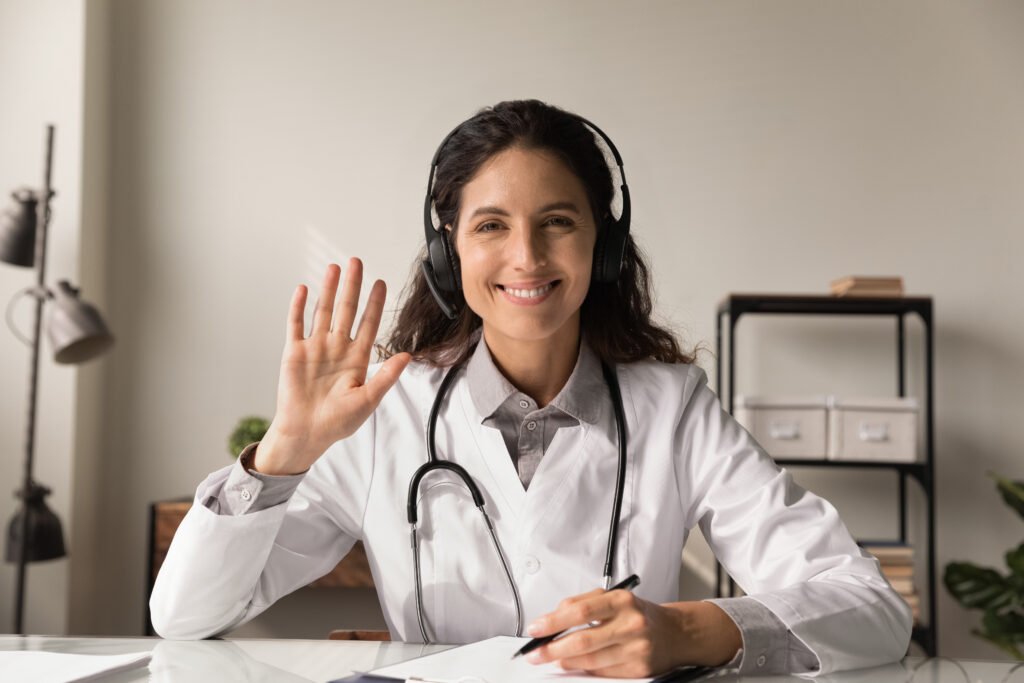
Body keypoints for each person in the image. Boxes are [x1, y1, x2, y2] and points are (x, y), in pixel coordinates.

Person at [150, 100, 912, 677]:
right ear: (448, 253)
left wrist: (684, 631)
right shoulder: (386, 412)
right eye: (490, 226)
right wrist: (281, 454)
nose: (526, 256)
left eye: (557, 221)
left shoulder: (672, 406)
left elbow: (873, 608)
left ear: (603, 247)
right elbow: (183, 618)